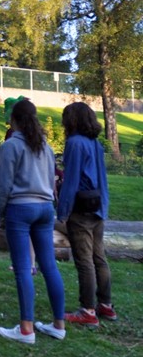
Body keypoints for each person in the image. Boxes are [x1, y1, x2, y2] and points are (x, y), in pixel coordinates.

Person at [0, 99, 66, 344]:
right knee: (49, 266)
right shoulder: (45, 146)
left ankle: (26, 329)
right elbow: (51, 180)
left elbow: (4, 185)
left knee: (24, 268)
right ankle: (59, 324)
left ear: (13, 119)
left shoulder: (10, 146)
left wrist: (1, 212)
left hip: (20, 208)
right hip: (46, 208)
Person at [57, 102, 115, 327]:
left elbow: (70, 180)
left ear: (71, 120)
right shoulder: (96, 144)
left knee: (84, 260)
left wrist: (63, 211)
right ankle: (105, 305)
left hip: (80, 210)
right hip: (98, 207)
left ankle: (87, 310)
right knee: (99, 258)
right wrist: (104, 207)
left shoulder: (74, 143)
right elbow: (102, 180)